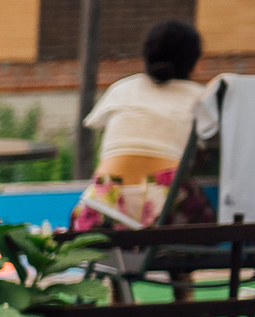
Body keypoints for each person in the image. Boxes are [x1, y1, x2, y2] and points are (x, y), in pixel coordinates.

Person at [75, 18, 212, 231]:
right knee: (207, 221)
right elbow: (208, 150)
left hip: (105, 205)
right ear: (194, 60)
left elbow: (97, 125)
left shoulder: (121, 89)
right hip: (163, 206)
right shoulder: (201, 97)